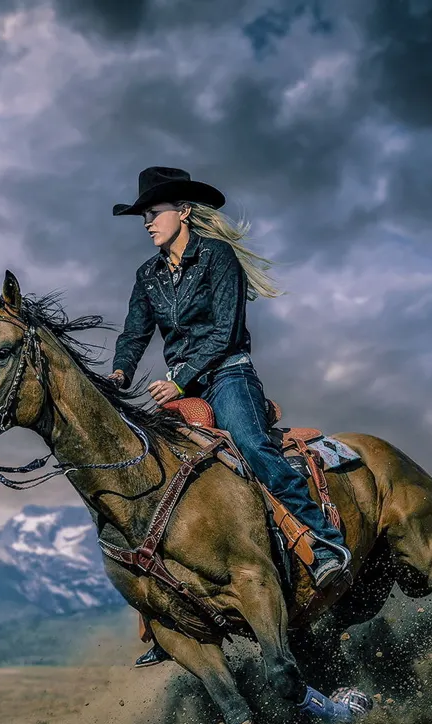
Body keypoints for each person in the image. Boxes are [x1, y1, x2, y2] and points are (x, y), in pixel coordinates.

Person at [106, 166, 352, 668]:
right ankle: (166, 610)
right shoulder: (147, 276)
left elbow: (224, 333)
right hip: (181, 387)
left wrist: (178, 379)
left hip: (228, 372)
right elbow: (135, 333)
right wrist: (119, 373)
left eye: (154, 214)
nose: (147, 224)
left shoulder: (217, 258)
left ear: (184, 212)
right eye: (145, 217)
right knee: (153, 469)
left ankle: (324, 545)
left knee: (251, 441)